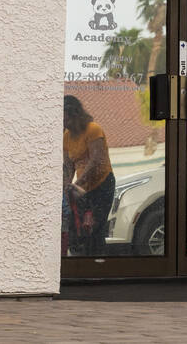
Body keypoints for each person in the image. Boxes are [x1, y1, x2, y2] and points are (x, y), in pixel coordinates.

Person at [63, 94, 115, 256]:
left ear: (74, 114)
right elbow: (69, 166)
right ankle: (83, 266)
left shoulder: (93, 129)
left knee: (94, 229)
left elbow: (96, 161)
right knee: (79, 230)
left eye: (66, 119)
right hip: (82, 188)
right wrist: (66, 185)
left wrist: (78, 183)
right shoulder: (66, 136)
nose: (64, 123)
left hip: (101, 184)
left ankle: (97, 267)